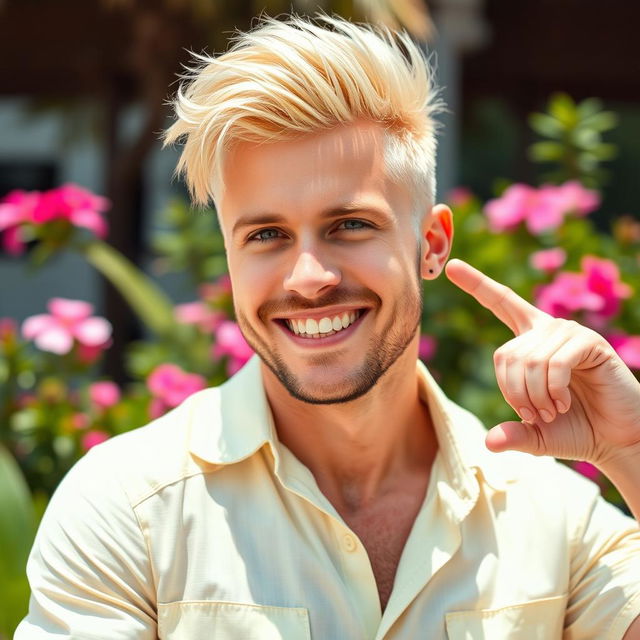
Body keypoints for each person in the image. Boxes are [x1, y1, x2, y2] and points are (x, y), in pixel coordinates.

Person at [16, 14, 640, 640]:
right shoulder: (127, 507)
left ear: (431, 244)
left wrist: (631, 449)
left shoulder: (559, 522)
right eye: (266, 235)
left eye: (349, 225)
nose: (308, 276)